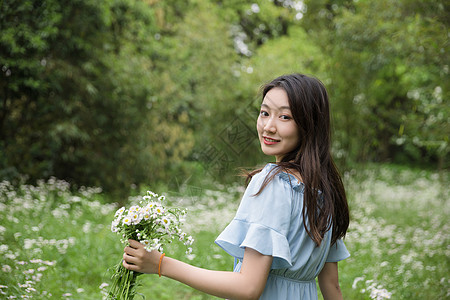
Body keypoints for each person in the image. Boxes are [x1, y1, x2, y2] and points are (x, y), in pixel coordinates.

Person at [122, 73, 350, 300]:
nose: (268, 127)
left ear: (309, 125)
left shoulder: (273, 184)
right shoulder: (325, 191)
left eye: (285, 117)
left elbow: (248, 288)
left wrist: (161, 264)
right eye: (264, 113)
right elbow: (332, 287)